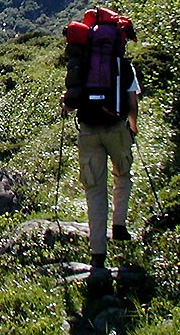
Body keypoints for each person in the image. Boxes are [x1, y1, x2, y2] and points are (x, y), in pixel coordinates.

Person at [61, 64, 140, 269]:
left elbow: (70, 101)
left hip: (88, 131)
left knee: (94, 190)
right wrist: (133, 128)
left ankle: (97, 253)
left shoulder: (84, 60)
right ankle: (119, 224)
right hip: (116, 127)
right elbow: (132, 103)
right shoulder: (123, 63)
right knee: (122, 174)